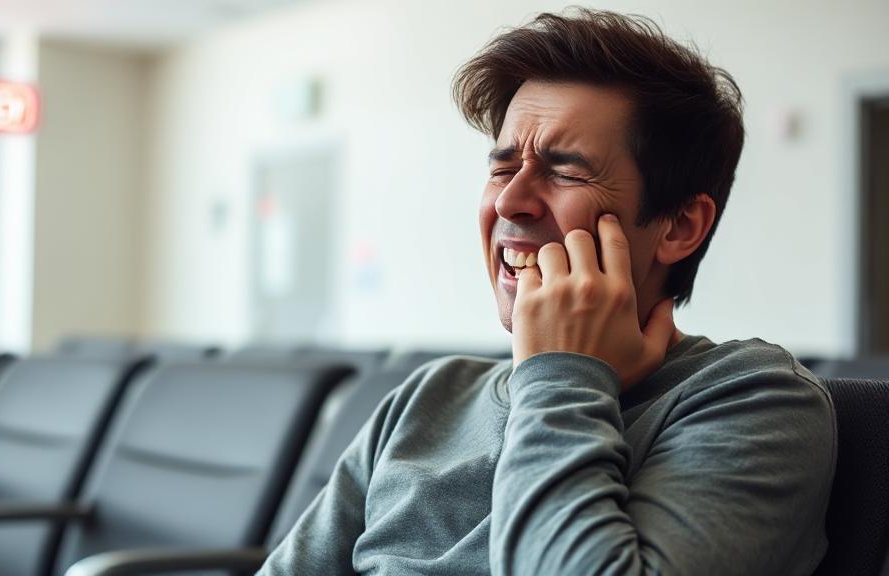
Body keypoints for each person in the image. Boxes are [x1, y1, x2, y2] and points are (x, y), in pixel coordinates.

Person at [259, 8, 835, 575]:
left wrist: (563, 372)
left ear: (680, 226)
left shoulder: (756, 398)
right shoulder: (428, 397)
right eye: (503, 167)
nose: (510, 201)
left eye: (565, 171)